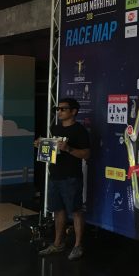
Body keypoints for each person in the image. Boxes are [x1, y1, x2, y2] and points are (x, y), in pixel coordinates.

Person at [36, 98, 90, 261]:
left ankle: (78, 245)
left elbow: (86, 154)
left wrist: (69, 148)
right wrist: (41, 145)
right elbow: (52, 149)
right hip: (55, 175)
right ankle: (58, 243)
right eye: (57, 109)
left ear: (73, 112)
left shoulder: (80, 130)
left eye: (63, 109)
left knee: (75, 211)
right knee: (58, 210)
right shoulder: (56, 128)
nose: (59, 112)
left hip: (71, 177)